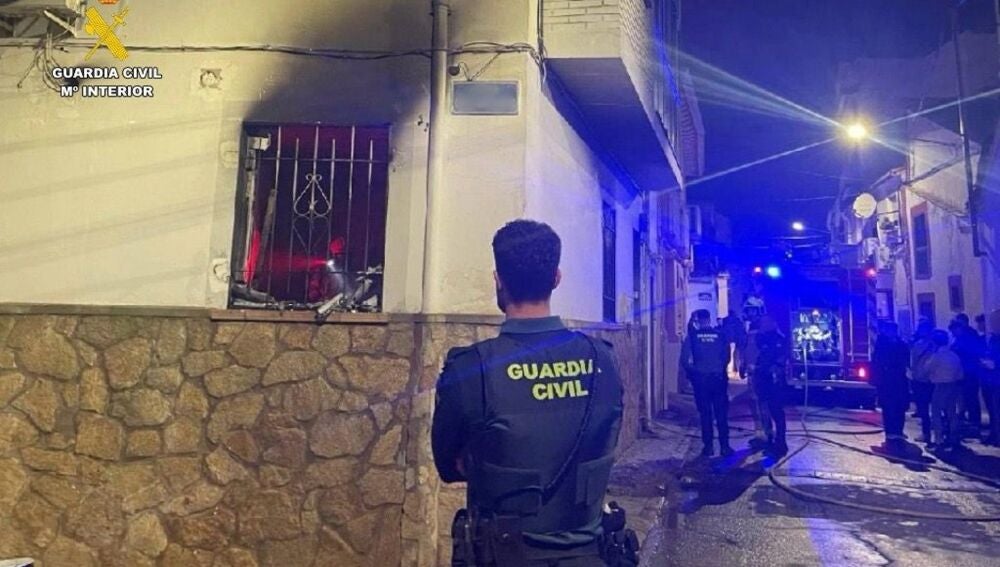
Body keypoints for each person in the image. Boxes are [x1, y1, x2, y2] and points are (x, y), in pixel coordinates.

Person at [432, 220, 626, 567]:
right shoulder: (604, 359)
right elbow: (605, 439)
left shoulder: (470, 369)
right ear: (556, 278)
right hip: (588, 555)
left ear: (498, 281)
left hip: (503, 555)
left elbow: (450, 466)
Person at [681, 309, 733, 457]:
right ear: (709, 319)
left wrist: (694, 373)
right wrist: (719, 369)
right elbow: (727, 357)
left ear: (697, 321)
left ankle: (708, 447)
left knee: (705, 413)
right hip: (718, 379)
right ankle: (724, 446)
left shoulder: (692, 337)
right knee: (721, 413)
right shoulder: (720, 335)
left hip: (701, 381)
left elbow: (685, 360)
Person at [753, 315, 789, 457]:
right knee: (765, 410)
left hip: (774, 380)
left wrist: (774, 369)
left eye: (765, 322)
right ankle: (769, 438)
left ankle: (780, 442)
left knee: (776, 411)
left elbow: (781, 358)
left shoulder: (779, 339)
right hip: (763, 378)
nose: (763, 325)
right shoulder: (761, 338)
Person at [871, 321, 910, 448]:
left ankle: (898, 431)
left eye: (893, 330)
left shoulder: (901, 344)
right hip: (887, 380)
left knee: (900, 406)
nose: (892, 332)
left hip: (899, 379)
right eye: (890, 330)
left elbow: (906, 358)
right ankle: (890, 432)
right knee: (888, 407)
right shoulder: (882, 344)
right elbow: (877, 362)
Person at [927, 329, 964, 450]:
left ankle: (939, 440)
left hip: (940, 386)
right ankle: (953, 438)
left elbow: (927, 369)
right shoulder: (954, 355)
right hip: (953, 385)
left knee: (936, 413)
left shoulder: (936, 356)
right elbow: (960, 374)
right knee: (951, 412)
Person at [950, 316, 985, 438]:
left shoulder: (968, 337)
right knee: (968, 398)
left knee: (971, 398)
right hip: (965, 373)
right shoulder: (964, 337)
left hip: (969, 373)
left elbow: (967, 354)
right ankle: (971, 422)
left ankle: (974, 423)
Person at [909, 319, 936, 443]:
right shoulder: (935, 345)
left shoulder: (918, 345)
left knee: (923, 409)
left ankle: (926, 433)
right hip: (933, 379)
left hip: (920, 379)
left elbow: (913, 362)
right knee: (936, 408)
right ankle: (940, 434)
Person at [983, 310, 1000, 446]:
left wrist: (994, 364)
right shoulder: (993, 338)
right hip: (991, 380)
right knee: (993, 410)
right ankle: (995, 434)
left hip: (996, 378)